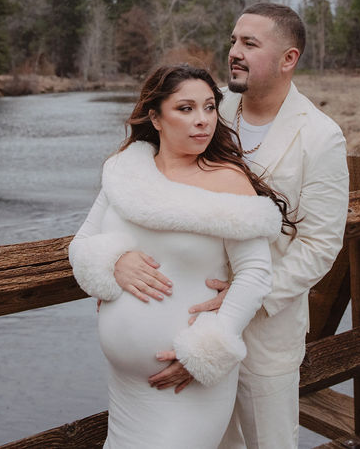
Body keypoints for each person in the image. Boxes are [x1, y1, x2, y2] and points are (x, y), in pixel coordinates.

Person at [115, 3, 349, 448]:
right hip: (187, 321)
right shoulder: (207, 106)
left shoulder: (320, 136)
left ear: (288, 59)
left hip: (265, 334)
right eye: (233, 41)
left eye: (250, 44)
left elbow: (320, 244)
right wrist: (117, 256)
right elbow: (141, 178)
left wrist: (246, 298)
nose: (234, 52)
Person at [68, 64, 293, 448]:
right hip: (125, 386)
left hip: (188, 380)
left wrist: (206, 351)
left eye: (209, 107)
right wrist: (114, 259)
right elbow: (83, 242)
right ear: (155, 117)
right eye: (186, 109)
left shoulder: (227, 180)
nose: (202, 121)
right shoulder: (127, 172)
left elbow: (254, 274)